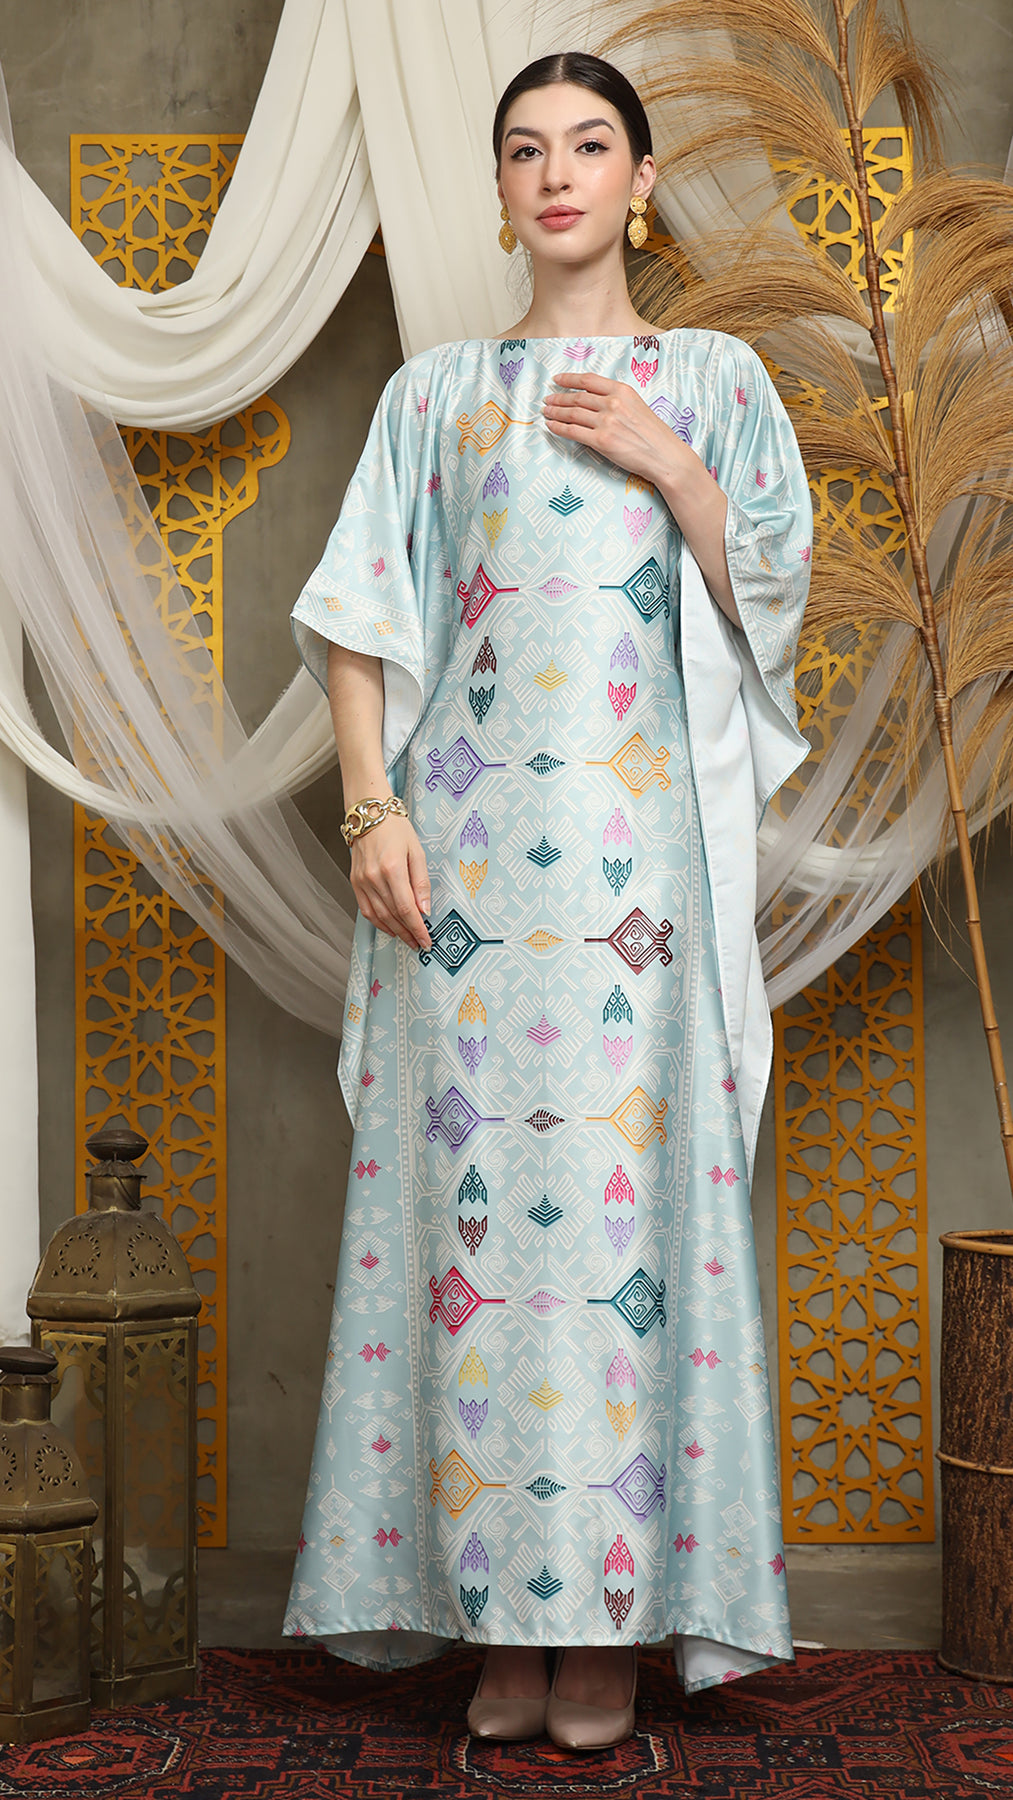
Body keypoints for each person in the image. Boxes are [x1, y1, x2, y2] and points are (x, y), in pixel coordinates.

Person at [283, 50, 812, 1753]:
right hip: (459, 884)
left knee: (615, 1244)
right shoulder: (434, 395)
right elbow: (360, 615)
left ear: (639, 182)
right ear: (499, 188)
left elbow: (778, 601)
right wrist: (371, 808)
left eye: (591, 145)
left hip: (639, 893)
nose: (558, 172)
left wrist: (674, 466)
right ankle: (490, 1624)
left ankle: (607, 1631)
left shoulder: (713, 380)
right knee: (476, 1245)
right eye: (526, 149)